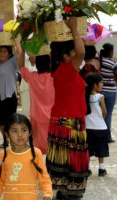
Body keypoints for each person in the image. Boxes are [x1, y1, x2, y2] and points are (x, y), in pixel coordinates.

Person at [46, 17, 89, 200]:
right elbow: (81, 52)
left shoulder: (59, 71)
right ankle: (69, 194)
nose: (75, 55)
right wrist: (73, 28)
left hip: (62, 123)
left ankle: (64, 193)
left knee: (64, 163)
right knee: (72, 163)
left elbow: (78, 51)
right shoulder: (67, 69)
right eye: (71, 52)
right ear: (65, 55)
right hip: (70, 124)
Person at [0, 113, 53, 200]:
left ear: (30, 132)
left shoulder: (36, 153)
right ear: (7, 134)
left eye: (24, 130)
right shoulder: (3, 155)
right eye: (15, 131)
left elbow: (44, 179)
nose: (20, 135)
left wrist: (47, 194)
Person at [18, 48, 54, 154]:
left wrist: (23, 51)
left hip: (37, 118)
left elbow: (21, 67)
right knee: (53, 148)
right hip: (53, 118)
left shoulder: (32, 77)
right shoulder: (55, 77)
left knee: (38, 149)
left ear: (37, 64)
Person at [85, 72, 109, 177]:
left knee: (88, 149)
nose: (102, 84)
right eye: (101, 82)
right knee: (101, 148)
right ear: (95, 85)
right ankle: (101, 168)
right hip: (100, 127)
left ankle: (88, 168)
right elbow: (104, 112)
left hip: (88, 127)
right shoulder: (100, 97)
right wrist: (101, 119)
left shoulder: (84, 96)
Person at [100, 43, 117, 143]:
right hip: (111, 92)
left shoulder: (99, 61)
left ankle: (100, 135)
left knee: (100, 114)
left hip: (100, 90)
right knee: (108, 114)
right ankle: (107, 137)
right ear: (111, 51)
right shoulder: (113, 63)